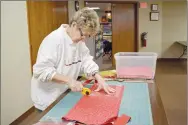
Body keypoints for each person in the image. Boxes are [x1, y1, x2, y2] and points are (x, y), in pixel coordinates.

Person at [31, 7, 115, 111]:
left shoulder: (79, 42)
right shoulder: (54, 40)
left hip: (64, 94)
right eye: (83, 35)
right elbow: (41, 71)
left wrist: (98, 76)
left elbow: (86, 60)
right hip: (48, 98)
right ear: (74, 25)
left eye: (87, 36)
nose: (83, 39)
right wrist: (69, 80)